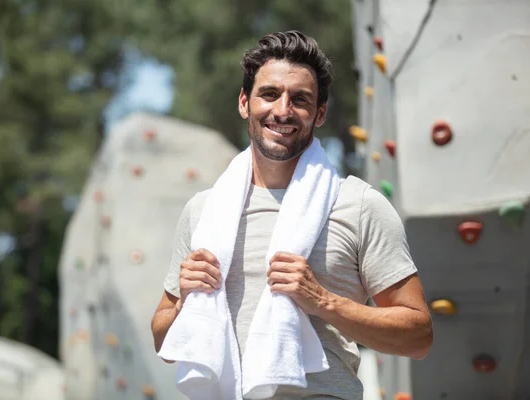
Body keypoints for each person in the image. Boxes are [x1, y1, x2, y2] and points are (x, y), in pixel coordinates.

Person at [151, 30, 433, 399]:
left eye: (299, 99)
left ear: (319, 114)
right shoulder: (203, 211)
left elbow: (418, 337)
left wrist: (324, 301)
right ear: (243, 102)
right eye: (269, 94)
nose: (282, 110)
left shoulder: (359, 205)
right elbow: (162, 340)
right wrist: (187, 299)